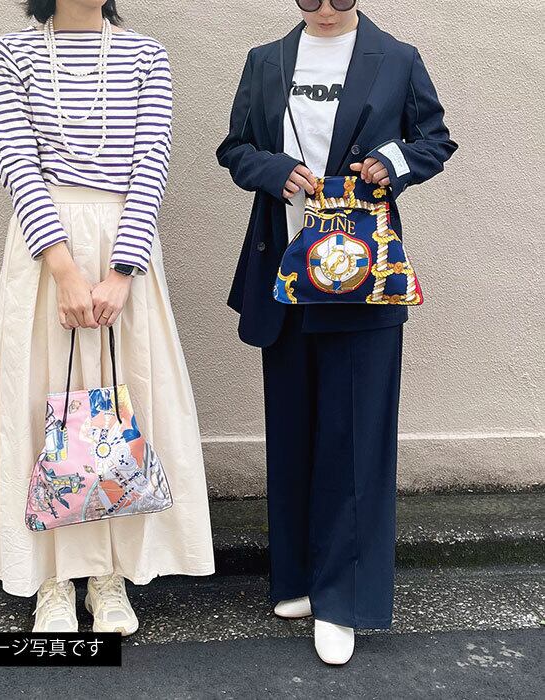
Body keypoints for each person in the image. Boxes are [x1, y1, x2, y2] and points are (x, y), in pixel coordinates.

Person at [0, 0, 215, 635]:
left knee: (120, 405)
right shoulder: (11, 52)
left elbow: (151, 163)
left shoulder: (146, 55)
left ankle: (108, 574)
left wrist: (122, 271)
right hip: (43, 251)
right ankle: (52, 579)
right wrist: (65, 270)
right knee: (42, 402)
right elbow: (17, 162)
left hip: (125, 247)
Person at [216, 0, 457, 665]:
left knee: (354, 439)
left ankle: (342, 599)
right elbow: (235, 148)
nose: (323, 8)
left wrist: (392, 163)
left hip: (362, 276)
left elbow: (434, 140)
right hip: (286, 271)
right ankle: (296, 577)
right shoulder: (267, 61)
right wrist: (273, 171)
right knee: (292, 430)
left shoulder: (398, 59)